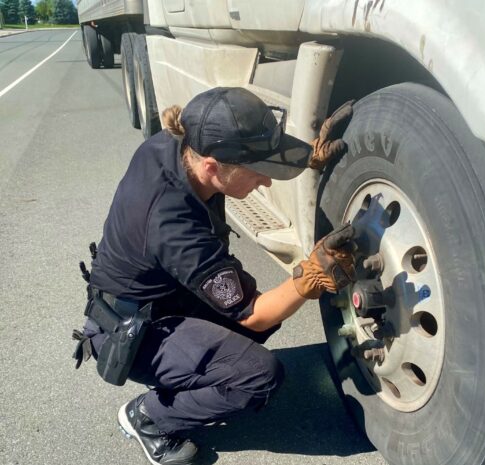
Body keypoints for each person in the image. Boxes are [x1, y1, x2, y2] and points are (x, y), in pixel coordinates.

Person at [72, 87, 356, 465]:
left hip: (163, 296)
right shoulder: (173, 225)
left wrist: (305, 158)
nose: (267, 182)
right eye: (259, 173)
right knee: (259, 374)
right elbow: (255, 313)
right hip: (132, 331)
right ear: (211, 166)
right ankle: (149, 416)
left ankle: (202, 368)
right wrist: (310, 278)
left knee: (259, 319)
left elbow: (248, 153)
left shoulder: (179, 145)